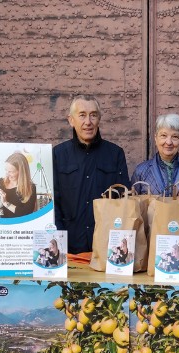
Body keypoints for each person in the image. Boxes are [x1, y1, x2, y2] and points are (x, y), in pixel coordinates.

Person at [53, 94, 130, 254]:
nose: (88, 122)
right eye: (82, 115)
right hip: (70, 247)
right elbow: (53, 203)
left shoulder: (115, 154)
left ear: (99, 119)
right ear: (71, 120)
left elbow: (124, 203)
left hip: (106, 246)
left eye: (93, 115)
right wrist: (59, 243)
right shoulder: (58, 155)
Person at [130, 113, 179, 196]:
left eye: (175, 137)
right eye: (163, 135)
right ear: (155, 138)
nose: (169, 142)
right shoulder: (141, 171)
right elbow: (133, 202)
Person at [0, 151, 37, 218]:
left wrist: (5, 203)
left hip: (19, 224)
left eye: (10, 172)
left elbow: (26, 213)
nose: (7, 174)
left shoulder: (30, 188)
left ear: (21, 172)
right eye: (6, 170)